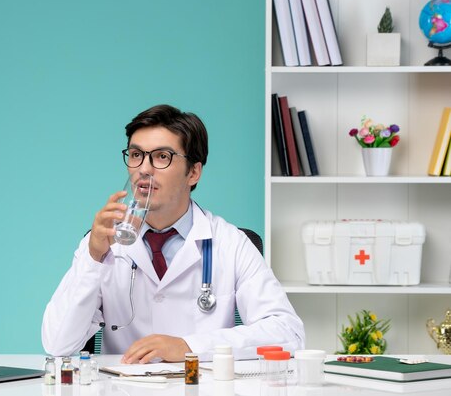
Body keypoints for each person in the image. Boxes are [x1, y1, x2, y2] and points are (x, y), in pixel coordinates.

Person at [41, 104, 304, 363]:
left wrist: (190, 346)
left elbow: (288, 332)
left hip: (200, 387)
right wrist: (93, 258)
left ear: (193, 172)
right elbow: (58, 344)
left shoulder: (231, 243)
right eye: (136, 155)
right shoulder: (104, 243)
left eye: (162, 157)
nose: (144, 169)